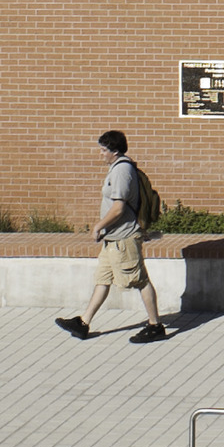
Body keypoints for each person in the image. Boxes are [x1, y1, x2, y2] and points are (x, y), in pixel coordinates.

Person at [55, 130, 169, 343]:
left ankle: (155, 326)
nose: (100, 154)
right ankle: (83, 323)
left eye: (103, 150)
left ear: (114, 151)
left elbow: (118, 208)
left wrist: (98, 226)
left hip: (123, 240)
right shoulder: (117, 169)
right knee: (102, 280)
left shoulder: (121, 172)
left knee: (140, 280)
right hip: (112, 241)